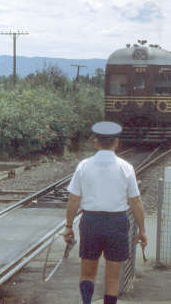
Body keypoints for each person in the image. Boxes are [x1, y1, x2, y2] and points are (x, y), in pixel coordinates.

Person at [63, 121, 147, 304]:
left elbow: (74, 200)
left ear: (96, 142)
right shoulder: (126, 168)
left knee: (87, 272)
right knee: (113, 278)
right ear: (116, 143)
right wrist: (142, 230)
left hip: (91, 222)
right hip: (117, 224)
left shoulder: (84, 166)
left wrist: (69, 226)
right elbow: (135, 201)